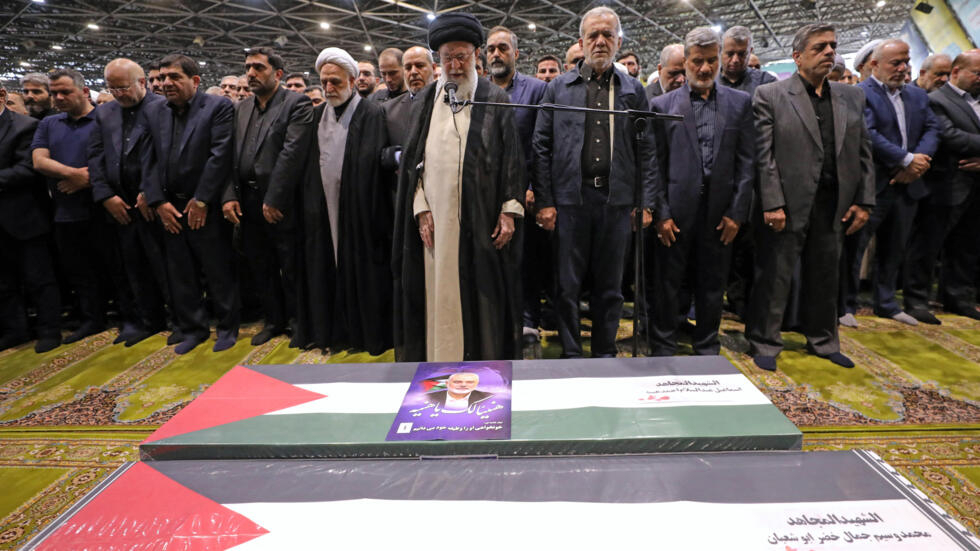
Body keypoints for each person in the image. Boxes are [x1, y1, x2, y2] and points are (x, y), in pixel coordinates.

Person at [392, 12, 526, 362]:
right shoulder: (425, 102)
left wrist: (509, 212)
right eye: (447, 58)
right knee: (439, 293)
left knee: (482, 296)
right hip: (436, 224)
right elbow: (412, 167)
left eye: (461, 57)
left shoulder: (495, 99)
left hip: (481, 221)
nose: (454, 65)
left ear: (476, 56)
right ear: (438, 60)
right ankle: (441, 359)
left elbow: (513, 159)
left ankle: (481, 361)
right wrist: (420, 210)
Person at [745, 23, 874, 372]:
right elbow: (764, 156)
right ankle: (765, 341)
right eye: (820, 47)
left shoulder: (851, 96)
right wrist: (772, 202)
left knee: (825, 274)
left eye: (832, 46)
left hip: (834, 203)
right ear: (797, 56)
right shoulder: (771, 95)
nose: (830, 52)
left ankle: (823, 340)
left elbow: (863, 151)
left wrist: (864, 201)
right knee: (775, 275)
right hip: (787, 202)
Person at [533, 6, 656, 358]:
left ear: (618, 41)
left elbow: (647, 149)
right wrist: (545, 201)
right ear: (582, 42)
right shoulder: (558, 88)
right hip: (570, 200)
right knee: (567, 285)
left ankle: (604, 354)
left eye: (607, 35)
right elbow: (541, 147)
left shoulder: (633, 90)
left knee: (611, 287)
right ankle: (572, 353)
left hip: (616, 201)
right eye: (593, 36)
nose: (600, 42)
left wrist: (645, 201)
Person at [649, 27, 754, 356]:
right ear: (686, 62)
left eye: (711, 61)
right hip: (676, 214)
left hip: (720, 214)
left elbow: (747, 163)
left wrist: (737, 213)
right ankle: (663, 342)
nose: (705, 68)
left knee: (713, 283)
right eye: (697, 61)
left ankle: (707, 344)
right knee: (668, 283)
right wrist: (661, 213)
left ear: (720, 60)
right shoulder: (662, 105)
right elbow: (655, 166)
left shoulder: (740, 104)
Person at [294, 47, 393, 354]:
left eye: (335, 81)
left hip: (359, 214)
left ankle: (364, 335)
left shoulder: (371, 113)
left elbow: (372, 165)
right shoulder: (316, 116)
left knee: (362, 271)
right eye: (324, 81)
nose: (329, 88)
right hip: (324, 208)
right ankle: (333, 333)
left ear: (351, 80)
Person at [143, 54, 239, 354]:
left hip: (204, 206)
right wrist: (158, 201)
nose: (166, 83)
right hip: (170, 208)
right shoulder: (156, 111)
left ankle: (227, 327)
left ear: (194, 81)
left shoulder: (217, 107)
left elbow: (219, 156)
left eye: (174, 77)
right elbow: (149, 159)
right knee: (181, 273)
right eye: (162, 78)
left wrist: (202, 200)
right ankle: (195, 329)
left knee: (217, 270)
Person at [839, 40, 939, 328]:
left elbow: (933, 128)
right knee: (854, 248)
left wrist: (919, 161)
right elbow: (867, 134)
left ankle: (886, 303)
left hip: (908, 186)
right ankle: (846, 304)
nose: (902, 68)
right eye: (895, 63)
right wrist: (906, 159)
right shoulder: (859, 94)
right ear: (875, 65)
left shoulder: (917, 97)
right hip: (873, 185)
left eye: (905, 62)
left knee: (895, 247)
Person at [32, 68, 133, 345]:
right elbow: (39, 161)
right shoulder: (49, 124)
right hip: (66, 213)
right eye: (54, 93)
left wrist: (88, 179)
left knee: (117, 267)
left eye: (66, 92)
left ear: (84, 91)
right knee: (81, 270)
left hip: (106, 209)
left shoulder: (107, 117)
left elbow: (117, 156)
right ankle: (93, 319)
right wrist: (72, 174)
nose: (59, 98)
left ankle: (129, 318)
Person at [221, 47, 313, 347]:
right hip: (247, 201)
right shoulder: (243, 108)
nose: (250, 73)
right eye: (248, 67)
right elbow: (232, 156)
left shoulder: (296, 104)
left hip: (281, 202)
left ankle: (300, 322)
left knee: (291, 265)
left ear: (278, 74)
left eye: (258, 67)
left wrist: (274, 199)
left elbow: (292, 154)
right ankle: (274, 321)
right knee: (260, 265)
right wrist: (229, 194)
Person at [88, 58, 173, 347]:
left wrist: (151, 191)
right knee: (130, 268)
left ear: (142, 83)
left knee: (165, 267)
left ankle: (179, 319)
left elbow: (168, 155)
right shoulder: (105, 113)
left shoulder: (162, 108)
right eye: (112, 88)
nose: (118, 94)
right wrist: (105, 196)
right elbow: (96, 157)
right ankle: (145, 320)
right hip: (119, 206)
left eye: (123, 87)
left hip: (153, 204)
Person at [486, 25, 550, 350]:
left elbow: (541, 144)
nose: (496, 54)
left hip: (524, 192)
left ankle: (528, 320)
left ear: (516, 54)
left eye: (502, 48)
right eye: (491, 49)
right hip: (485, 193)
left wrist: (533, 187)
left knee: (527, 260)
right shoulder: (478, 91)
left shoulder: (537, 90)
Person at [905, 50, 980, 323]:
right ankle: (916, 299)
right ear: (956, 72)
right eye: (977, 73)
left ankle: (958, 297)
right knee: (928, 245)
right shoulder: (937, 101)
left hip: (974, 187)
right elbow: (950, 137)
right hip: (944, 186)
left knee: (967, 246)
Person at [716, 26, 779, 319]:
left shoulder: (765, 84)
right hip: (717, 175)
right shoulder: (708, 81)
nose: (735, 59)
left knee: (747, 242)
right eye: (729, 53)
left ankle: (741, 301)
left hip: (752, 177)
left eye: (742, 53)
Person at [0, 86, 62, 353]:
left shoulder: (26, 126)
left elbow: (28, 169)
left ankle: (50, 330)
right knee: (3, 282)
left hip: (24, 217)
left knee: (39, 278)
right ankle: (15, 330)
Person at [382, 45, 436, 151]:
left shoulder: (450, 103)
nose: (413, 72)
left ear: (433, 68)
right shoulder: (388, 111)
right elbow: (380, 153)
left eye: (420, 66)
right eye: (408, 68)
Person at [425, 373, 493, 410]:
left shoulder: (489, 397)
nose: (463, 385)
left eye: (470, 382)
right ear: (447, 383)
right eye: (457, 382)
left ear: (476, 384)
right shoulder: (428, 397)